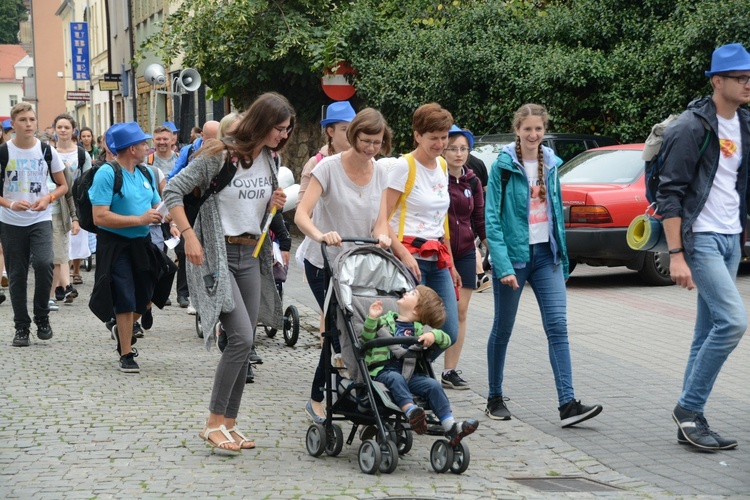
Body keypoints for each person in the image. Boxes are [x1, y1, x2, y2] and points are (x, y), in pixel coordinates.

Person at [163, 92, 291, 453]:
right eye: (279, 128)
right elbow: (172, 190)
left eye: (287, 130)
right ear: (263, 123)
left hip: (251, 253)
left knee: (245, 340)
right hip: (216, 254)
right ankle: (212, 423)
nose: (283, 135)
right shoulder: (219, 155)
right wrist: (189, 236)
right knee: (240, 339)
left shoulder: (270, 157)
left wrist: (273, 204)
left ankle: (229, 424)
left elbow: (255, 208)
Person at [484, 103, 603, 426]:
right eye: (527, 130)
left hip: (546, 257)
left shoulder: (550, 163)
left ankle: (567, 404)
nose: (533, 135)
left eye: (538, 129)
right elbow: (492, 218)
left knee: (558, 328)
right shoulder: (503, 166)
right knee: (503, 329)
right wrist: (503, 264)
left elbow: (555, 217)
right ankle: (494, 396)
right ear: (517, 131)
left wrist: (563, 259)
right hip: (514, 258)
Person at [661, 43, 750, 451]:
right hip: (701, 239)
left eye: (749, 77)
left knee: (706, 331)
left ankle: (689, 423)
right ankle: (689, 408)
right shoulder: (690, 127)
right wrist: (676, 254)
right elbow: (671, 194)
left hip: (732, 238)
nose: (747, 84)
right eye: (739, 78)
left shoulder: (745, 124)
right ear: (717, 81)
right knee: (732, 322)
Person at [295, 107, 392, 423]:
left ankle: (359, 395)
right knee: (340, 332)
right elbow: (301, 215)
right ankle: (325, 398)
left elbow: (380, 223)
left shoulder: (381, 173)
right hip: (324, 262)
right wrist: (321, 234)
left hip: (359, 266)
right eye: (365, 140)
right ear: (353, 136)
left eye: (376, 142)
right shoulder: (329, 169)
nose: (370, 148)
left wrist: (383, 238)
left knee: (359, 331)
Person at [88, 122, 175, 373]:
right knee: (125, 296)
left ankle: (120, 325)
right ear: (129, 148)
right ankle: (126, 353)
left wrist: (172, 221)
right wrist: (140, 220)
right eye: (143, 143)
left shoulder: (146, 172)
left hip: (142, 243)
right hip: (115, 245)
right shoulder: (107, 173)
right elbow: (99, 217)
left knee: (152, 288)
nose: (147, 146)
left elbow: (158, 206)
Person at [385, 103, 459, 359]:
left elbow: (442, 219)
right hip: (410, 258)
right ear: (417, 135)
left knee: (450, 330)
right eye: (433, 138)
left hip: (437, 258)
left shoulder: (442, 165)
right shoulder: (403, 166)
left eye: (444, 137)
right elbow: (381, 220)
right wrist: (403, 254)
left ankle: (413, 374)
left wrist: (452, 264)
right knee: (408, 328)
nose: (440, 144)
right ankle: (404, 380)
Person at [362, 286, 479, 444]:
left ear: (416, 309)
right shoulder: (384, 321)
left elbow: (447, 339)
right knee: (395, 378)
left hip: (411, 375)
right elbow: (365, 340)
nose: (406, 292)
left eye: (412, 293)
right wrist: (372, 318)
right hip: (384, 371)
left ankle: (450, 426)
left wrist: (432, 334)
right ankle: (411, 412)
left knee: (433, 385)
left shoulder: (421, 329)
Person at [0, 103, 68, 347]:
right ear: (13, 124)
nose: (28, 124)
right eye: (23, 120)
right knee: (17, 274)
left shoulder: (47, 151)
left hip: (40, 218)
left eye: (32, 119)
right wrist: (9, 204)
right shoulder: (3, 152)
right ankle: (21, 326)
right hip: (10, 221)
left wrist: (47, 198)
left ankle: (42, 316)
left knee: (43, 262)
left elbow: (63, 185)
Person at [441, 125, 487, 390]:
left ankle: (450, 371)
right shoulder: (436, 177)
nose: (458, 154)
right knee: (437, 312)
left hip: (467, 252)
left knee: (460, 310)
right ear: (443, 150)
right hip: (439, 252)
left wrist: (493, 250)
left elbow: (479, 219)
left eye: (463, 149)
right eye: (453, 148)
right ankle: (420, 366)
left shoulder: (473, 181)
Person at [167, 120, 220, 309]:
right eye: (210, 138)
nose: (215, 142)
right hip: (190, 202)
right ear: (202, 137)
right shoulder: (190, 151)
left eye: (218, 138)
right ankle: (183, 292)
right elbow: (173, 177)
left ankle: (206, 293)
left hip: (210, 203)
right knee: (183, 249)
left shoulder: (224, 153)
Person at [49, 113, 90, 305]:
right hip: (56, 203)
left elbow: (89, 180)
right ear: (55, 130)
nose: (63, 130)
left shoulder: (82, 154)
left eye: (67, 127)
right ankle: (63, 286)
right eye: (60, 127)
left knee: (70, 245)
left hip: (76, 201)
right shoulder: (48, 151)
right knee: (60, 246)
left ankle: (64, 284)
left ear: (73, 130)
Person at [297, 100, 356, 207]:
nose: (350, 134)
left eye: (353, 129)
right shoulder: (316, 163)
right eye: (344, 129)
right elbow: (301, 209)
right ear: (331, 131)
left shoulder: (363, 162)